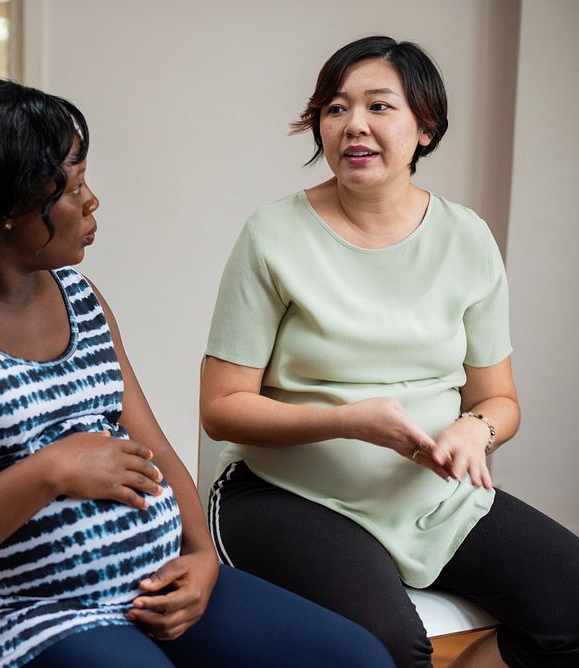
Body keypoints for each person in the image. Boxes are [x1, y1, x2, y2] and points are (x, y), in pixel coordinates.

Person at [0, 78, 392, 668]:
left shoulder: (79, 296)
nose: (92, 202)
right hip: (14, 616)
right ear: (4, 207)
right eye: (73, 186)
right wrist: (48, 472)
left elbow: (150, 444)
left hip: (150, 585)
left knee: (358, 659)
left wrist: (203, 557)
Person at [201, 35, 579, 668]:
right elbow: (222, 408)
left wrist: (474, 430)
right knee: (392, 649)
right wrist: (350, 420)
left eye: (380, 107)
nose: (354, 126)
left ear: (424, 129)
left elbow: (499, 399)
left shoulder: (468, 238)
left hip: (431, 494)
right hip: (285, 494)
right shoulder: (272, 235)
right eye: (335, 108)